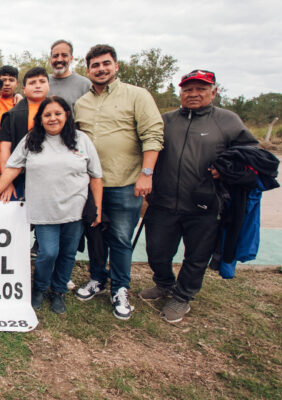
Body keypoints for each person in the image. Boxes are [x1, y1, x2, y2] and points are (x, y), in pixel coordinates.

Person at [140, 70, 258, 323]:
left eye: (201, 89)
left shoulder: (227, 121)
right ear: (180, 92)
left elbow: (252, 156)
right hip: (162, 202)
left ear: (213, 92)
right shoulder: (166, 121)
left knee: (196, 257)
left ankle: (182, 297)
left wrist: (227, 170)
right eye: (188, 89)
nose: (193, 94)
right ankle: (164, 283)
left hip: (205, 204)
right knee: (156, 252)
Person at [0, 97, 103, 314]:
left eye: (57, 113)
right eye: (47, 115)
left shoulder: (81, 140)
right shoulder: (31, 140)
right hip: (43, 209)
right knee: (48, 253)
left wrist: (98, 208)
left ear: (67, 115)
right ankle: (39, 287)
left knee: (68, 253)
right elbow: (12, 168)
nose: (53, 118)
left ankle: (58, 291)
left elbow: (96, 176)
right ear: (41, 118)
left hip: (75, 209)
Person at [73, 44, 164, 320]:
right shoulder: (81, 103)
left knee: (121, 239)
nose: (101, 69)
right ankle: (98, 280)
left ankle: (120, 288)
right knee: (95, 236)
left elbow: (153, 135)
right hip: (89, 183)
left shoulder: (137, 95)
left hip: (126, 182)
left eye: (106, 63)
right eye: (95, 65)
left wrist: (146, 174)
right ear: (88, 70)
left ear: (116, 66)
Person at [0, 67, 51, 201]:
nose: (38, 85)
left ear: (48, 85)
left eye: (42, 81)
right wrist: (7, 182)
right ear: (24, 88)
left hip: (51, 177)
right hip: (21, 177)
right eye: (32, 83)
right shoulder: (12, 116)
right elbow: (5, 150)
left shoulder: (59, 112)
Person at [47, 40, 92, 108]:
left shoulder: (85, 85)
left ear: (71, 59)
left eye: (64, 55)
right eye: (55, 56)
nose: (59, 59)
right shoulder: (42, 82)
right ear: (51, 59)